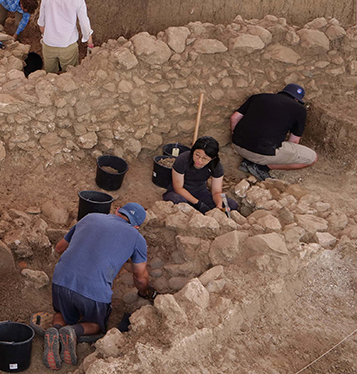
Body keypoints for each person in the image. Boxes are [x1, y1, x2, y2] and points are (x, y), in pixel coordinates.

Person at [39, 203, 151, 369]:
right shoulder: (136, 237)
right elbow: (140, 277)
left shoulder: (90, 217)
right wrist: (144, 293)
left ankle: (55, 329)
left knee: (61, 312)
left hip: (61, 281)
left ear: (117, 210)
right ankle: (72, 332)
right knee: (96, 325)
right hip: (93, 292)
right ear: (136, 226)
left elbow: (59, 247)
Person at [230, 83, 317, 181]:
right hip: (260, 154)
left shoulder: (258, 97)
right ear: (297, 100)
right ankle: (261, 167)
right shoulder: (300, 110)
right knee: (312, 158)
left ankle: (248, 160)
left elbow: (234, 118)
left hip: (237, 145)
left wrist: (235, 135)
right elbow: (294, 142)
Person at [37, 0, 94, 73]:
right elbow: (84, 23)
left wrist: (49, 36)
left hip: (49, 45)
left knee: (50, 76)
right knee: (70, 75)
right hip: (68, 45)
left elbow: (41, 24)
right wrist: (89, 42)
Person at [162, 136, 238, 212]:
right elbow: (178, 188)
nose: (199, 161)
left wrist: (219, 205)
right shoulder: (183, 160)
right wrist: (198, 203)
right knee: (178, 202)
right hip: (179, 193)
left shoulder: (216, 166)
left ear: (212, 158)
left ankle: (194, 208)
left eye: (205, 158)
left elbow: (217, 192)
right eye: (197, 155)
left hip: (201, 193)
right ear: (193, 151)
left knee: (232, 204)